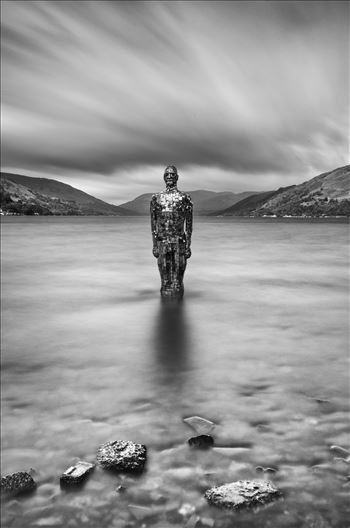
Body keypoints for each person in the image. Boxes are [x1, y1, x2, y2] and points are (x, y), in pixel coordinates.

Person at [150, 165, 193, 297]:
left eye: (172, 174)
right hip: (162, 242)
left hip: (179, 242)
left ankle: (177, 304)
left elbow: (189, 225)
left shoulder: (185, 198)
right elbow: (153, 224)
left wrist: (188, 246)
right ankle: (167, 307)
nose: (170, 176)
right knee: (165, 280)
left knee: (178, 280)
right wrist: (155, 245)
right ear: (164, 177)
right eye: (167, 174)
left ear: (177, 177)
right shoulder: (156, 198)